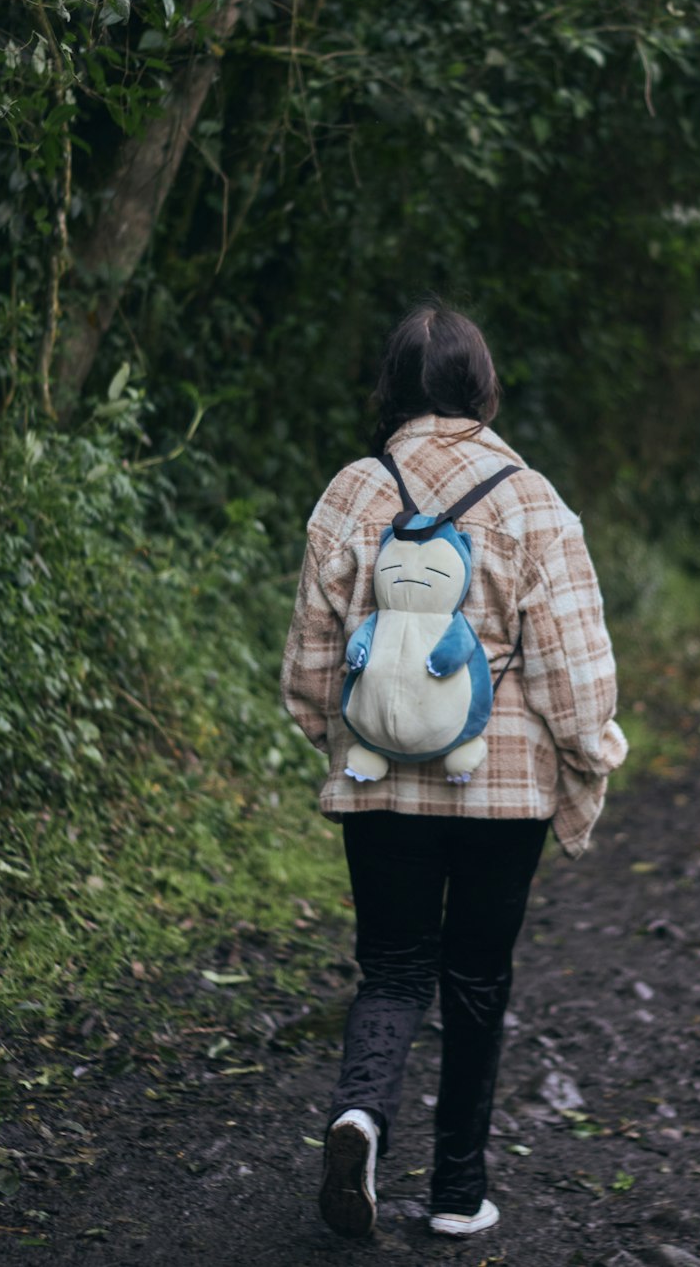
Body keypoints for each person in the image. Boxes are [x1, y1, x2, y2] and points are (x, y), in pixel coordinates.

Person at [280, 301, 627, 1240]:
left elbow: (311, 664)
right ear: (483, 387)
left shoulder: (351, 492)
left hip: (376, 781)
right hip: (502, 787)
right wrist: (590, 756)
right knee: (477, 977)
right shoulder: (531, 498)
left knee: (391, 968)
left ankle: (360, 1116)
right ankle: (455, 1195)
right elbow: (574, 669)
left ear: (391, 386)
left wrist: (343, 743)